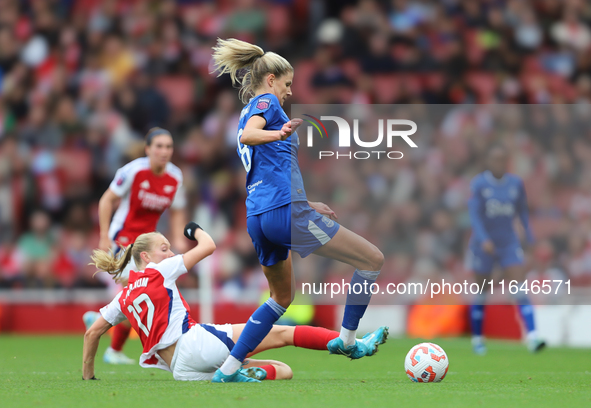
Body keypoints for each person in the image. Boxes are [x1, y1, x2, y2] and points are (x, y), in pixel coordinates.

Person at [210, 38, 387, 383]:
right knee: (372, 260)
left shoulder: (247, 110)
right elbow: (250, 136)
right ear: (271, 79)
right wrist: (279, 133)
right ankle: (349, 342)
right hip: (283, 213)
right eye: (287, 84)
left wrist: (306, 203)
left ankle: (227, 370)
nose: (290, 92)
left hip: (258, 216)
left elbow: (266, 166)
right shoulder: (266, 102)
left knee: (280, 298)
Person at [83, 225, 388, 382]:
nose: (170, 251)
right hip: (196, 343)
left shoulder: (122, 297)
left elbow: (92, 333)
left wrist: (88, 376)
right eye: (164, 248)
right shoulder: (159, 270)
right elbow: (209, 246)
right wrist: (193, 230)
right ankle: (354, 343)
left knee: (283, 371)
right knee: (282, 333)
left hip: (180, 369)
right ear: (146, 257)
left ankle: (239, 373)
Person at [83, 127, 187, 364]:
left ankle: (101, 323)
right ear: (148, 149)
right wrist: (104, 236)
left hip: (147, 245)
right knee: (139, 293)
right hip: (123, 239)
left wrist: (179, 239)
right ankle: (113, 346)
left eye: (168, 146)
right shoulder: (133, 171)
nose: (164, 151)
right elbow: (106, 200)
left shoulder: (175, 177)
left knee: (138, 294)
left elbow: (178, 210)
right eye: (159, 146)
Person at [467, 144, 545, 355]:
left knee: (519, 287)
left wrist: (529, 238)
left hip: (508, 242)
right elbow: (474, 215)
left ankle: (533, 337)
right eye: (495, 159)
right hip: (484, 244)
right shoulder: (479, 184)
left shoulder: (515, 183)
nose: (499, 163)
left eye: (502, 159)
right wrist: (483, 239)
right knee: (482, 292)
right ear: (488, 161)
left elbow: (523, 213)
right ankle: (477, 339)